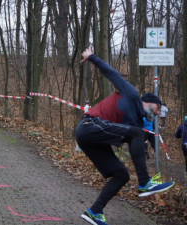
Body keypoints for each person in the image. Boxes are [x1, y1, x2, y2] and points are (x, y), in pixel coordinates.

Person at [75, 46, 174, 225]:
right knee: (136, 133)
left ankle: (94, 212)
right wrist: (92, 57)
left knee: (122, 174)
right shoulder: (131, 94)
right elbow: (112, 74)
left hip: (94, 140)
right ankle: (144, 183)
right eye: (158, 109)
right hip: (89, 126)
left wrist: (151, 142)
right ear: (149, 103)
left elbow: (139, 138)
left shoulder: (137, 121)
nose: (159, 114)